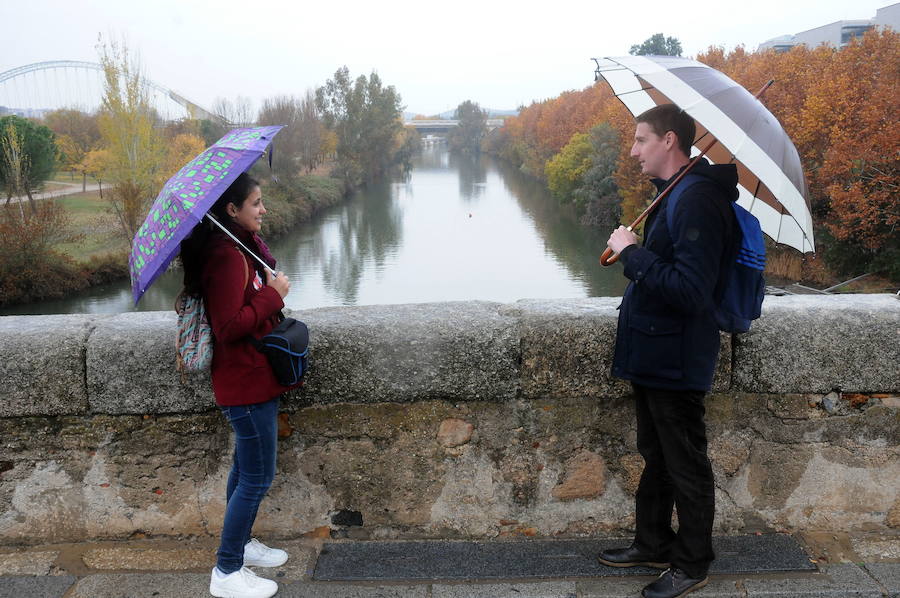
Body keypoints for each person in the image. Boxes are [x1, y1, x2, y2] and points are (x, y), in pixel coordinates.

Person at [598, 104, 738, 598]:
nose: (633, 150)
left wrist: (633, 254)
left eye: (641, 140)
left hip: (676, 358)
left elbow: (691, 290)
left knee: (686, 462)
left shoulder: (696, 200)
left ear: (670, 141)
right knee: (657, 453)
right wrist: (636, 247)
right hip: (655, 355)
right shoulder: (672, 196)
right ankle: (653, 541)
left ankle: (693, 562)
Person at [181, 172, 294, 598]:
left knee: (244, 470)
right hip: (244, 384)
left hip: (251, 379)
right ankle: (226, 572)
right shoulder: (227, 256)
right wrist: (273, 295)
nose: (263, 209)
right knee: (256, 478)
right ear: (231, 210)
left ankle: (242, 547)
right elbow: (227, 326)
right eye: (256, 203)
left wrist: (266, 290)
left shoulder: (238, 249)